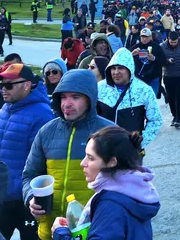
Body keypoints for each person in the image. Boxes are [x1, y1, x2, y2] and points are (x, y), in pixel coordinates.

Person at [23, 70, 115, 240]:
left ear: (90, 99)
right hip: (50, 231)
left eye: (75, 97)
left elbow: (125, 182)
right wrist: (30, 198)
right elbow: (29, 175)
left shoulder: (110, 133)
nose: (67, 103)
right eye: (63, 97)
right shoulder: (46, 131)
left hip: (93, 231)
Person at [50, 127, 160, 240]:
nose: (83, 163)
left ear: (112, 162)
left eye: (90, 158)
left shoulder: (111, 205)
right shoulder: (135, 190)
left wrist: (60, 234)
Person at [0, 63, 54, 240]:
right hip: (2, 195)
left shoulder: (42, 114)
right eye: (0, 85)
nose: (3, 90)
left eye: (9, 85)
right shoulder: (6, 108)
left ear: (27, 85)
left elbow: (42, 161)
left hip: (26, 200)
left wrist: (31, 194)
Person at [97, 48, 162, 149]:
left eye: (120, 68)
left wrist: (140, 142)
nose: (116, 72)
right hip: (104, 149)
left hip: (130, 152)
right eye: (113, 68)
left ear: (129, 69)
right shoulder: (99, 88)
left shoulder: (144, 90)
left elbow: (155, 120)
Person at [160, 30, 180, 128]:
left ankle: (178, 118)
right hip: (168, 76)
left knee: (179, 99)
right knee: (171, 99)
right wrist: (166, 61)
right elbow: (159, 61)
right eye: (171, 42)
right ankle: (174, 115)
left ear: (178, 40)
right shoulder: (162, 47)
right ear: (168, 39)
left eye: (175, 42)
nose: (173, 44)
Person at [132, 28, 166, 96]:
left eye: (146, 37)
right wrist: (131, 54)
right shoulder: (135, 47)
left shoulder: (157, 47)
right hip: (139, 78)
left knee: (152, 98)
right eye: (143, 37)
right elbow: (126, 61)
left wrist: (154, 58)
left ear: (150, 37)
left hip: (153, 77)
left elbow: (164, 61)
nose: (144, 39)